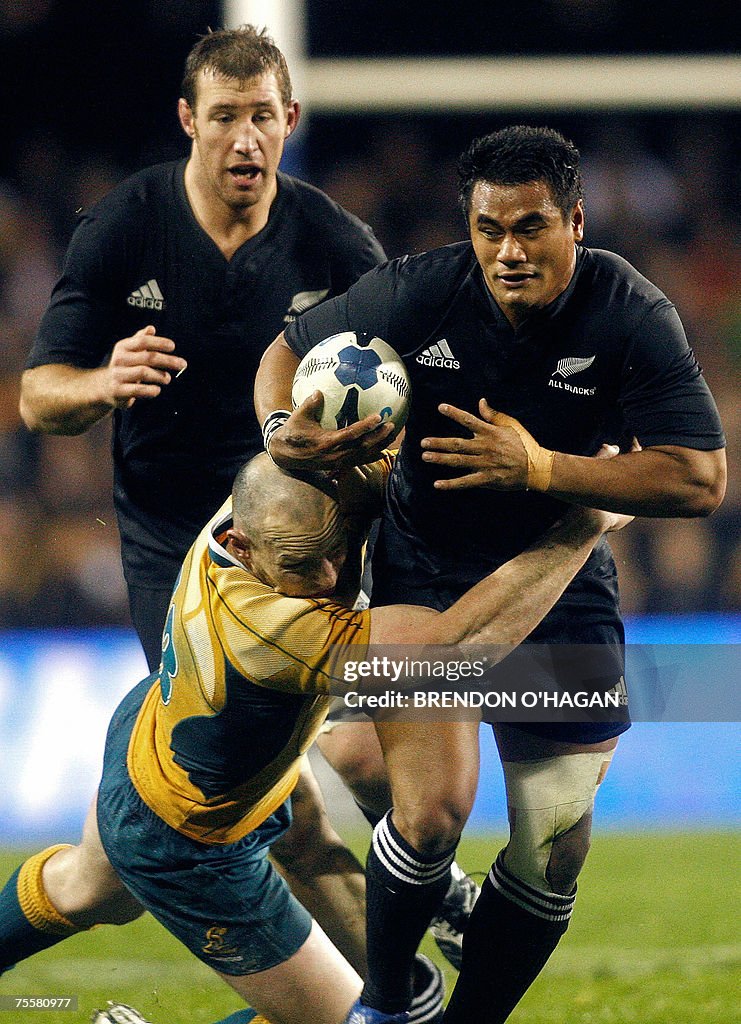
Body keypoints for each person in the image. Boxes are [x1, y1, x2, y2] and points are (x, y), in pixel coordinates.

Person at [253, 124, 727, 1022]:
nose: (508, 251)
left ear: (576, 222)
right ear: (468, 226)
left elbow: (699, 475)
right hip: (421, 566)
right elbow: (284, 354)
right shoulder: (418, 291)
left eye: (531, 228)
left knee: (554, 849)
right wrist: (284, 436)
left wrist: (542, 468)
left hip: (559, 577)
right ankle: (386, 1008)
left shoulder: (629, 312)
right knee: (429, 814)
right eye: (489, 229)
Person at [15, 23, 450, 984]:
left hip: (308, 532)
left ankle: (421, 909)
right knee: (281, 811)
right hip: (178, 552)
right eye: (224, 118)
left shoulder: (335, 243)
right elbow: (35, 397)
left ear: (289, 120)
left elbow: (410, 368)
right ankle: (400, 971)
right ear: (189, 122)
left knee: (360, 765)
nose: (244, 139)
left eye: (262, 117)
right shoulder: (124, 227)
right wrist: (101, 381)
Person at [0, 452, 632, 1024]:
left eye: (334, 549)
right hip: (191, 838)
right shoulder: (272, 631)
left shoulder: (263, 507)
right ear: (242, 547)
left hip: (162, 744)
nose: (331, 577)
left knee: (83, 889)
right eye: (302, 565)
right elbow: (454, 651)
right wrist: (581, 525)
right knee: (389, 1015)